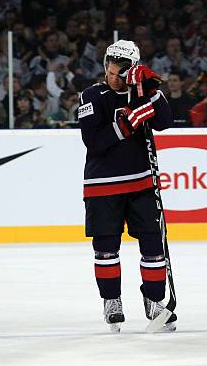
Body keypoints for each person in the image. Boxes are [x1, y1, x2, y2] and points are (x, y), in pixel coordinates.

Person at [78, 39, 175, 332]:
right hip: (102, 185)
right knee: (106, 248)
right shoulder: (91, 95)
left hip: (141, 182)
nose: (112, 70)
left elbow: (165, 122)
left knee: (153, 246)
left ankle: (155, 300)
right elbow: (94, 142)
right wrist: (130, 121)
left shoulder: (142, 93)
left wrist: (153, 92)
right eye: (110, 63)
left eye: (120, 66)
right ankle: (112, 301)